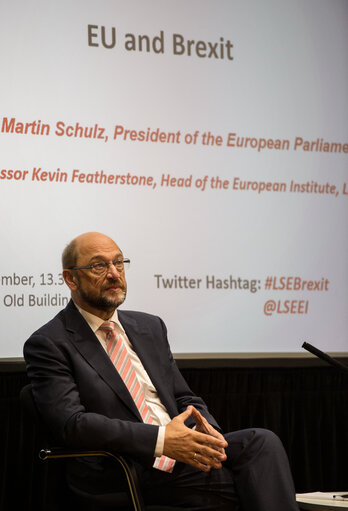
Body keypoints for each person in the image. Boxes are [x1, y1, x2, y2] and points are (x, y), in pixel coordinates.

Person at [24, 231, 299, 511]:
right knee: (256, 487)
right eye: (99, 266)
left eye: (119, 263)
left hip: (182, 458)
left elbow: (184, 398)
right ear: (71, 279)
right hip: (127, 467)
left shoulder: (149, 327)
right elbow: (72, 424)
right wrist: (161, 440)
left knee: (261, 443)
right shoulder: (50, 343)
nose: (114, 274)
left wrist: (205, 433)